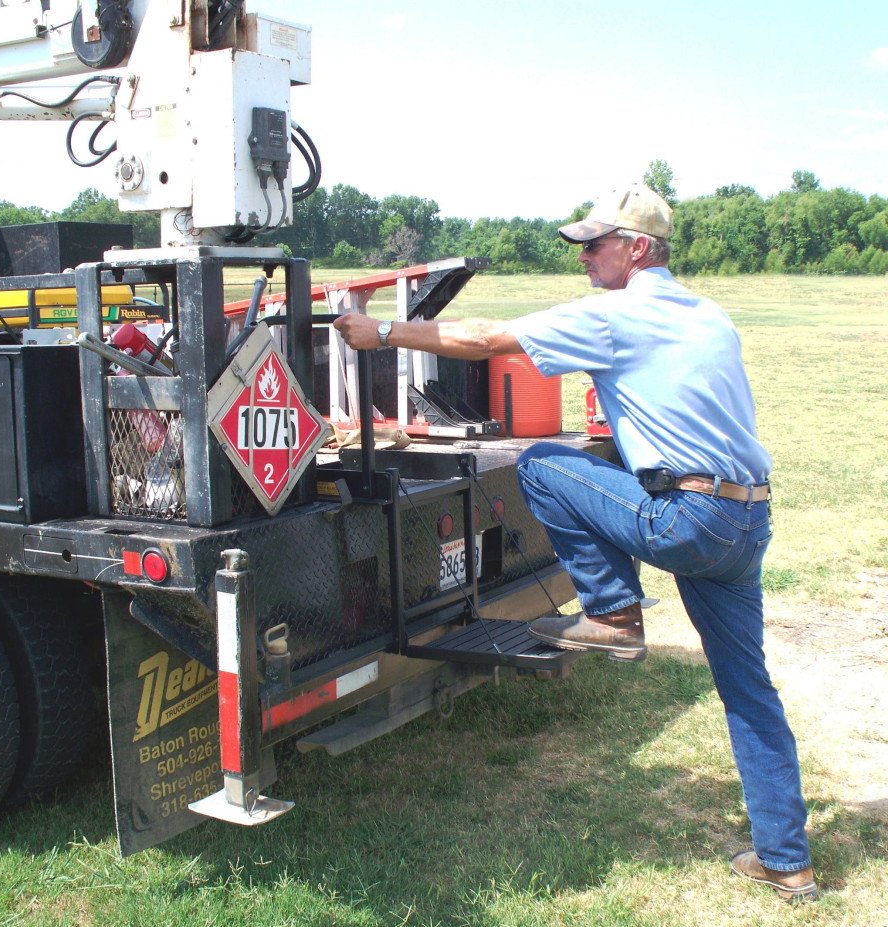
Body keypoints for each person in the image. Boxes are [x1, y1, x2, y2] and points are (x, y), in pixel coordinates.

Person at [332, 183, 817, 903]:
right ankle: (787, 859)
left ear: (638, 249)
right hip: (746, 522)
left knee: (542, 465)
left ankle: (615, 615)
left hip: (689, 517)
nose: (585, 257)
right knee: (750, 690)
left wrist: (383, 336)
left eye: (597, 244)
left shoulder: (618, 315)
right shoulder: (709, 316)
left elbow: (486, 338)